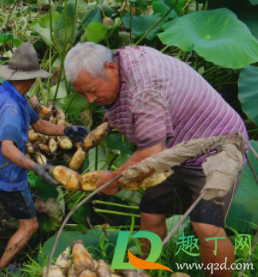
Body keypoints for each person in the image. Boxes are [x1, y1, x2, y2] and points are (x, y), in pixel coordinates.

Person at [64, 42, 248, 277]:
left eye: (93, 90)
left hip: (218, 150)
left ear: (111, 68)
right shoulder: (121, 62)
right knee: (150, 212)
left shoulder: (144, 89)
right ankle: (139, 269)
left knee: (206, 226)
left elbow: (152, 154)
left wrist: (114, 179)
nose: (89, 100)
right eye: (83, 93)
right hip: (176, 152)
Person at [0, 42, 89, 269]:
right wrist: (36, 167)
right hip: (7, 176)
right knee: (30, 227)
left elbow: (38, 125)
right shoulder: (11, 108)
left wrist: (67, 130)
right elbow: (7, 149)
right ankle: (0, 268)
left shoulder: (7, 92)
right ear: (31, 78)